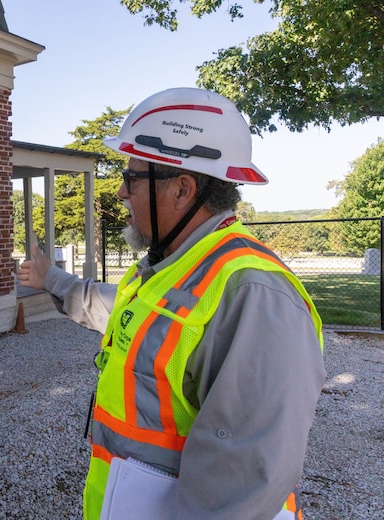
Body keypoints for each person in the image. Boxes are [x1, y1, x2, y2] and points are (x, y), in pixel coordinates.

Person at [17, 87, 325, 520]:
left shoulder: (254, 294)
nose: (122, 193)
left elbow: (242, 486)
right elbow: (124, 316)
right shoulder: (175, 268)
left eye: (132, 179)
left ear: (182, 190)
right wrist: (51, 277)